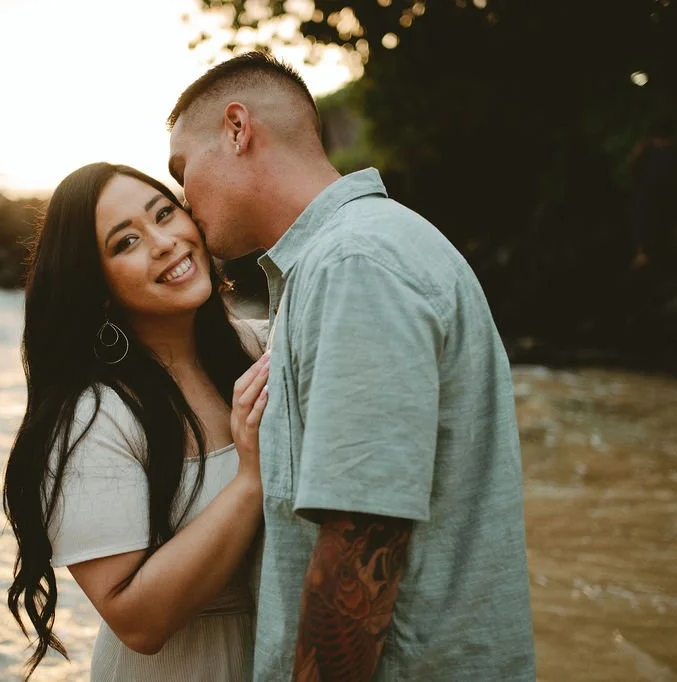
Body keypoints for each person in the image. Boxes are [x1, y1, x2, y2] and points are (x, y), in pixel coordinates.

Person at [168, 51, 536, 681]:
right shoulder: (345, 256)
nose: (182, 196)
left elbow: (364, 534)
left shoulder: (353, 263)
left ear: (237, 128)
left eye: (182, 168)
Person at [2, 162, 271, 680]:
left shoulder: (263, 346)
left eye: (165, 213)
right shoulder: (94, 417)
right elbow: (139, 622)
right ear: (98, 287)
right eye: (126, 242)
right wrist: (251, 480)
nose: (165, 242)